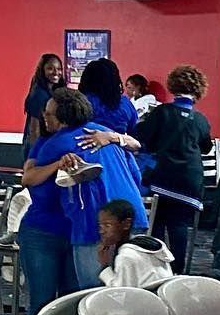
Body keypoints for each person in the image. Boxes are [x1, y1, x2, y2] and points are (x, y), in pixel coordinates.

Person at [45, 88, 148, 288]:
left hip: (93, 223)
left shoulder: (57, 143)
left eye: (49, 113)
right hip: (132, 216)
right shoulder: (106, 134)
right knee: (135, 288)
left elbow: (36, 184)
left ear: (61, 116)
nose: (44, 117)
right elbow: (136, 176)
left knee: (94, 295)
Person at [135, 65, 214, 272]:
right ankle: (179, 272)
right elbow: (206, 147)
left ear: (173, 86)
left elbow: (144, 138)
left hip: (164, 177)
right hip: (190, 181)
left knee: (157, 224)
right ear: (198, 90)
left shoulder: (162, 112)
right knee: (179, 226)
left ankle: (157, 271)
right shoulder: (200, 120)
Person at [18, 89, 81, 315]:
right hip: (41, 231)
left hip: (75, 233)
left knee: (70, 302)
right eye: (44, 113)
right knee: (41, 304)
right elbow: (28, 177)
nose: (44, 117)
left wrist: (116, 138)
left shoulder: (86, 139)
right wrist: (57, 164)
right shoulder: (44, 144)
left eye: (50, 114)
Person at [22, 53, 63, 154]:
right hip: (37, 145)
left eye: (59, 69)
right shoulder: (39, 94)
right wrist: (35, 155)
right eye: (50, 68)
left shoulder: (54, 91)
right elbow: (34, 129)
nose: (56, 72)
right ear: (42, 70)